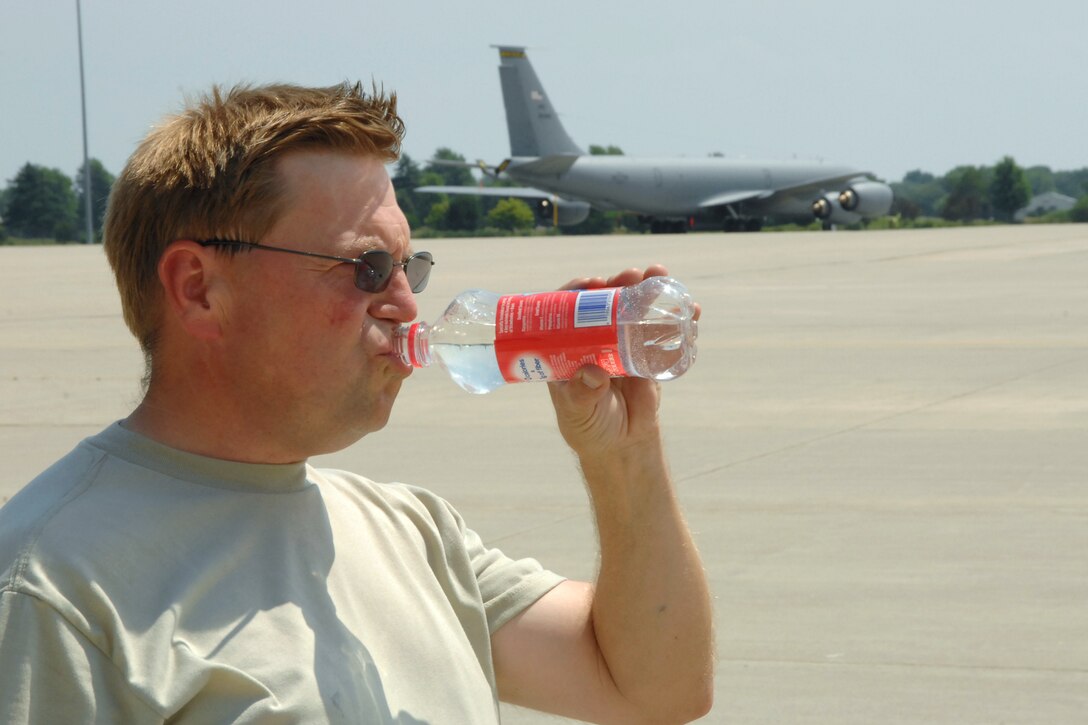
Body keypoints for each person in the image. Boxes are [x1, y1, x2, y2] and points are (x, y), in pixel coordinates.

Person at [0, 82, 713, 723]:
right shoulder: (55, 587)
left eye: (410, 267)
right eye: (367, 267)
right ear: (198, 288)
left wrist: (622, 453)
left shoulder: (411, 531)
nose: (405, 305)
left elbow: (654, 688)